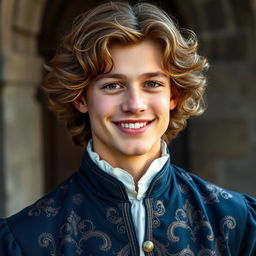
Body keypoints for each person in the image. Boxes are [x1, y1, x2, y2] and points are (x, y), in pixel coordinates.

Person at [0, 1, 255, 255]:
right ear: (81, 98)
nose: (135, 104)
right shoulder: (24, 239)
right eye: (112, 85)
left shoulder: (237, 223)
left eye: (152, 83)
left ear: (173, 96)